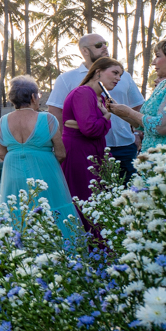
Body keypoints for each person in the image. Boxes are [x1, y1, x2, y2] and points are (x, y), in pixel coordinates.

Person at [48, 33, 144, 183]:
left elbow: (138, 106)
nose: (105, 47)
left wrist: (138, 133)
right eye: (99, 45)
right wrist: (63, 142)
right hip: (86, 147)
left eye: (105, 43)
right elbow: (55, 112)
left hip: (124, 145)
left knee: (129, 194)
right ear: (85, 50)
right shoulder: (67, 79)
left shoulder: (124, 77)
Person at [0, 76, 78, 242]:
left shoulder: (3, 121)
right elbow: (61, 153)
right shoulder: (47, 119)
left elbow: (1, 153)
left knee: (16, 210)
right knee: (51, 210)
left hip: (14, 174)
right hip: (45, 172)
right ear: (33, 97)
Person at [108, 36, 166, 166]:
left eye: (158, 56)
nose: (153, 62)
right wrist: (119, 111)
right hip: (156, 158)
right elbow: (145, 124)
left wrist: (129, 112)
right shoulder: (164, 83)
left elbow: (162, 126)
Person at [61, 57, 123, 234]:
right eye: (115, 73)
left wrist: (101, 120)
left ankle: (100, 248)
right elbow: (91, 129)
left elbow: (97, 129)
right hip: (79, 153)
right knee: (85, 200)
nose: (118, 78)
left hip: (94, 151)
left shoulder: (101, 97)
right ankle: (91, 248)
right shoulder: (84, 93)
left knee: (97, 201)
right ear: (98, 72)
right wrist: (106, 117)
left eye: (120, 75)